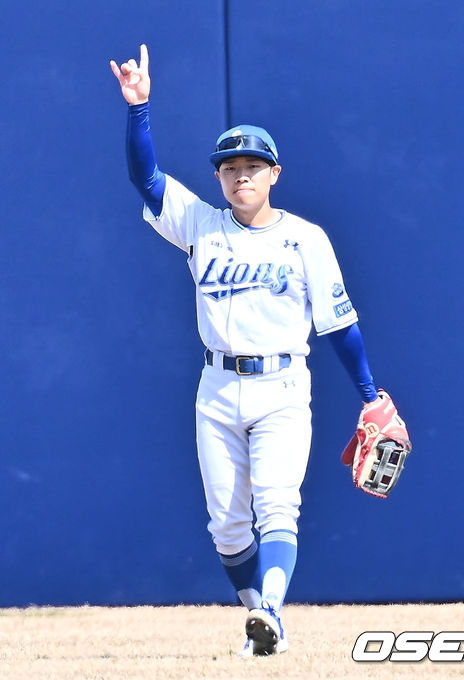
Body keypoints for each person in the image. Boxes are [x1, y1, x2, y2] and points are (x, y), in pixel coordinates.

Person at [110, 44, 380, 657]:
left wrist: (370, 393)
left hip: (284, 388)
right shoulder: (201, 225)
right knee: (228, 528)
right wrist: (138, 110)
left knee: (278, 505)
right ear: (218, 177)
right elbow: (145, 179)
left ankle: (275, 611)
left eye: (252, 166)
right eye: (229, 167)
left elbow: (339, 325)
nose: (240, 176)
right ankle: (260, 617)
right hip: (218, 388)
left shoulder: (306, 240)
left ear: (274, 174)